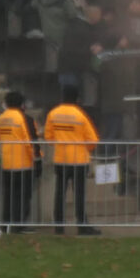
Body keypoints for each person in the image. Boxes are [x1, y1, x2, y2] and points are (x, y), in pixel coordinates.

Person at [43, 87, 100, 236]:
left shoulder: (53, 114)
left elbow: (48, 137)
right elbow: (93, 139)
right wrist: (86, 149)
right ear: (77, 99)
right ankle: (82, 226)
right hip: (79, 160)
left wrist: (61, 142)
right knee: (79, 194)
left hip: (61, 159)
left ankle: (59, 226)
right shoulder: (80, 115)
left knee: (59, 193)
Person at [0, 90, 39, 233]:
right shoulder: (22, 118)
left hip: (7, 163)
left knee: (8, 196)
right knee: (22, 196)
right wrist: (35, 158)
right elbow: (28, 141)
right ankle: (19, 225)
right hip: (23, 163)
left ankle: (6, 225)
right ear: (21, 104)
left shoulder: (1, 118)